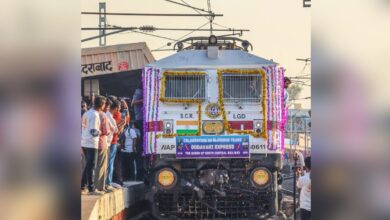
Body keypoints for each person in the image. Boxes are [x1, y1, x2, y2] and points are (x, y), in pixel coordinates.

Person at [81, 96, 106, 195]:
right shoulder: (95, 115)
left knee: (87, 165)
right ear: (102, 105)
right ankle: (91, 188)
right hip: (92, 143)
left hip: (84, 141)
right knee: (91, 166)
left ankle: (82, 186)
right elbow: (93, 131)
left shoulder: (87, 113)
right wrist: (100, 132)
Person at [94, 98, 114, 193]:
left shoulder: (89, 114)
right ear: (103, 105)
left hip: (92, 143)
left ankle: (94, 186)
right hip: (102, 143)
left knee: (94, 165)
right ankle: (100, 187)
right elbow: (106, 131)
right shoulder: (102, 115)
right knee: (102, 166)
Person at [105, 99, 126, 189]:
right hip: (111, 141)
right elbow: (117, 131)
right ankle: (108, 182)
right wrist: (122, 124)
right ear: (116, 108)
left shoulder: (106, 115)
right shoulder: (111, 116)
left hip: (108, 142)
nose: (120, 109)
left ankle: (107, 181)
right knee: (110, 163)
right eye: (119, 107)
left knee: (108, 162)